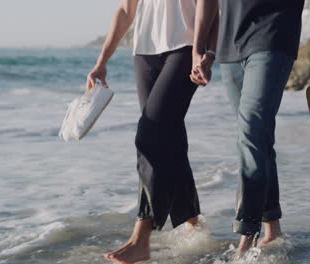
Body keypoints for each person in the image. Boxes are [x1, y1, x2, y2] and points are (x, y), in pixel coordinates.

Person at [191, 0, 310, 257]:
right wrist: (200, 49)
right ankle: (272, 228)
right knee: (257, 136)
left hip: (274, 34)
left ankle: (246, 238)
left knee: (251, 134)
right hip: (230, 44)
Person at [86, 0, 218, 263]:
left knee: (150, 135)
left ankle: (141, 238)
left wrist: (203, 51)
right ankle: (194, 224)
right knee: (168, 138)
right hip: (145, 50)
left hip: (186, 48)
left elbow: (210, 4)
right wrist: (102, 62)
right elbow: (125, 11)